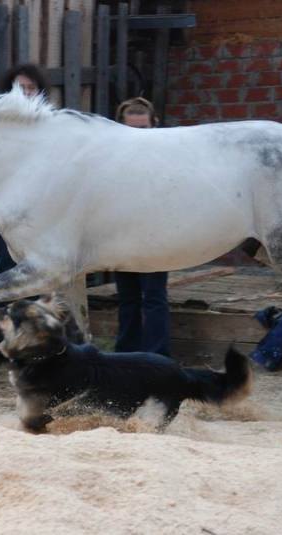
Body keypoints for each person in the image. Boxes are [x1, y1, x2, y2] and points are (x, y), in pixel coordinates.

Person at [0, 63, 51, 275]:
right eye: (21, 87)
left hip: (44, 207)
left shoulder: (49, 123)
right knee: (8, 264)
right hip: (9, 209)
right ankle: (7, 308)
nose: (26, 93)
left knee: (40, 268)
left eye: (31, 88)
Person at [113, 97, 170, 356]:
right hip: (122, 234)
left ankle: (158, 357)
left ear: (154, 125)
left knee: (154, 297)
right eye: (131, 129)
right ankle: (126, 356)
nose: (137, 136)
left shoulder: (164, 157)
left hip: (155, 234)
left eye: (143, 129)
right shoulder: (111, 159)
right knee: (127, 299)